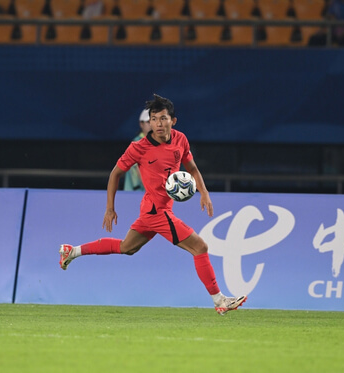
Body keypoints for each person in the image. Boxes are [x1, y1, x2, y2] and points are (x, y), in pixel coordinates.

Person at [59, 94, 247, 315]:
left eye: (163, 118)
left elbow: (192, 168)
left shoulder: (180, 140)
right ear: (150, 122)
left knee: (126, 247)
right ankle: (220, 300)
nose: (158, 123)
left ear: (172, 121)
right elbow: (115, 173)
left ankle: (72, 251)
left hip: (155, 209)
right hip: (156, 211)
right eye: (154, 119)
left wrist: (203, 192)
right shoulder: (138, 148)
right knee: (200, 247)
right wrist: (110, 208)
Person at [123, 109, 151, 191]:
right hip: (136, 195)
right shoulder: (138, 143)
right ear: (141, 124)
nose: (152, 125)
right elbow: (140, 171)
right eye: (148, 122)